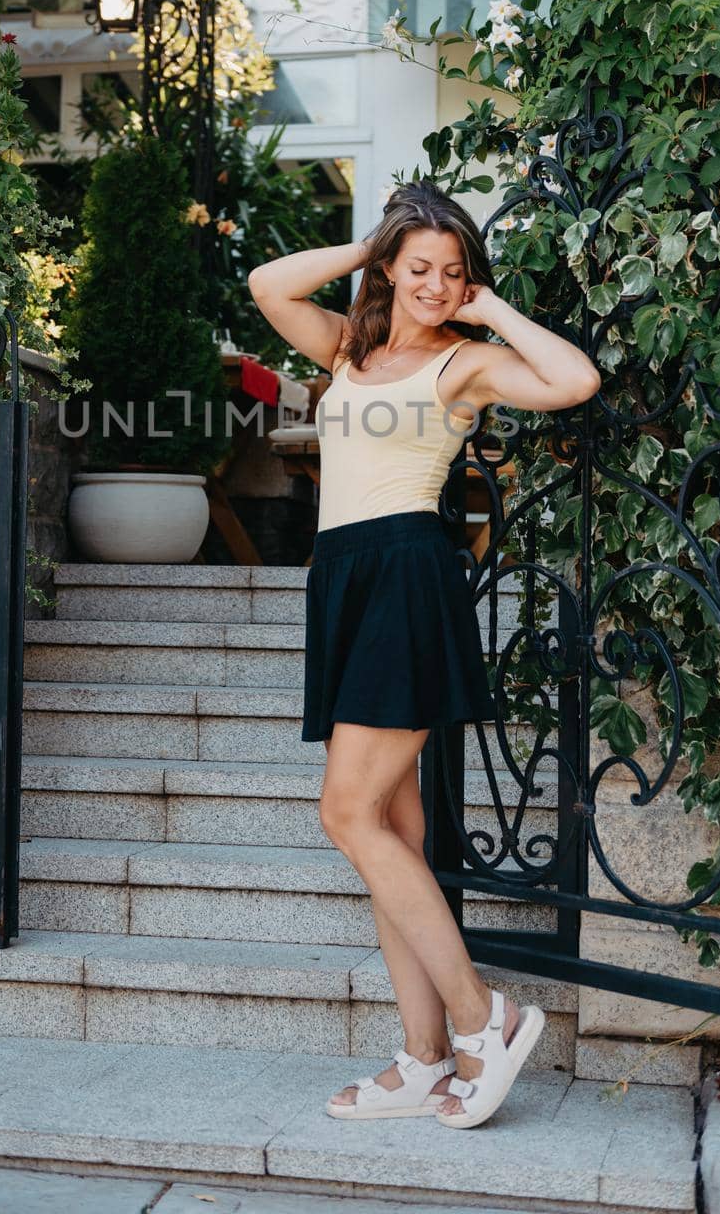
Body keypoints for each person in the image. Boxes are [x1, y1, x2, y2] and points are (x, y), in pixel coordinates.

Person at [247, 179, 601, 1129]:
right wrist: (370, 250)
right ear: (391, 268)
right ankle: (421, 1059)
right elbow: (268, 284)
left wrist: (494, 309)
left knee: (347, 811)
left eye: (454, 271)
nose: (437, 284)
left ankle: (488, 1021)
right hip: (345, 576)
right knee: (390, 834)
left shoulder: (464, 364)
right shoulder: (349, 350)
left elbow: (574, 382)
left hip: (406, 571)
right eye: (421, 268)